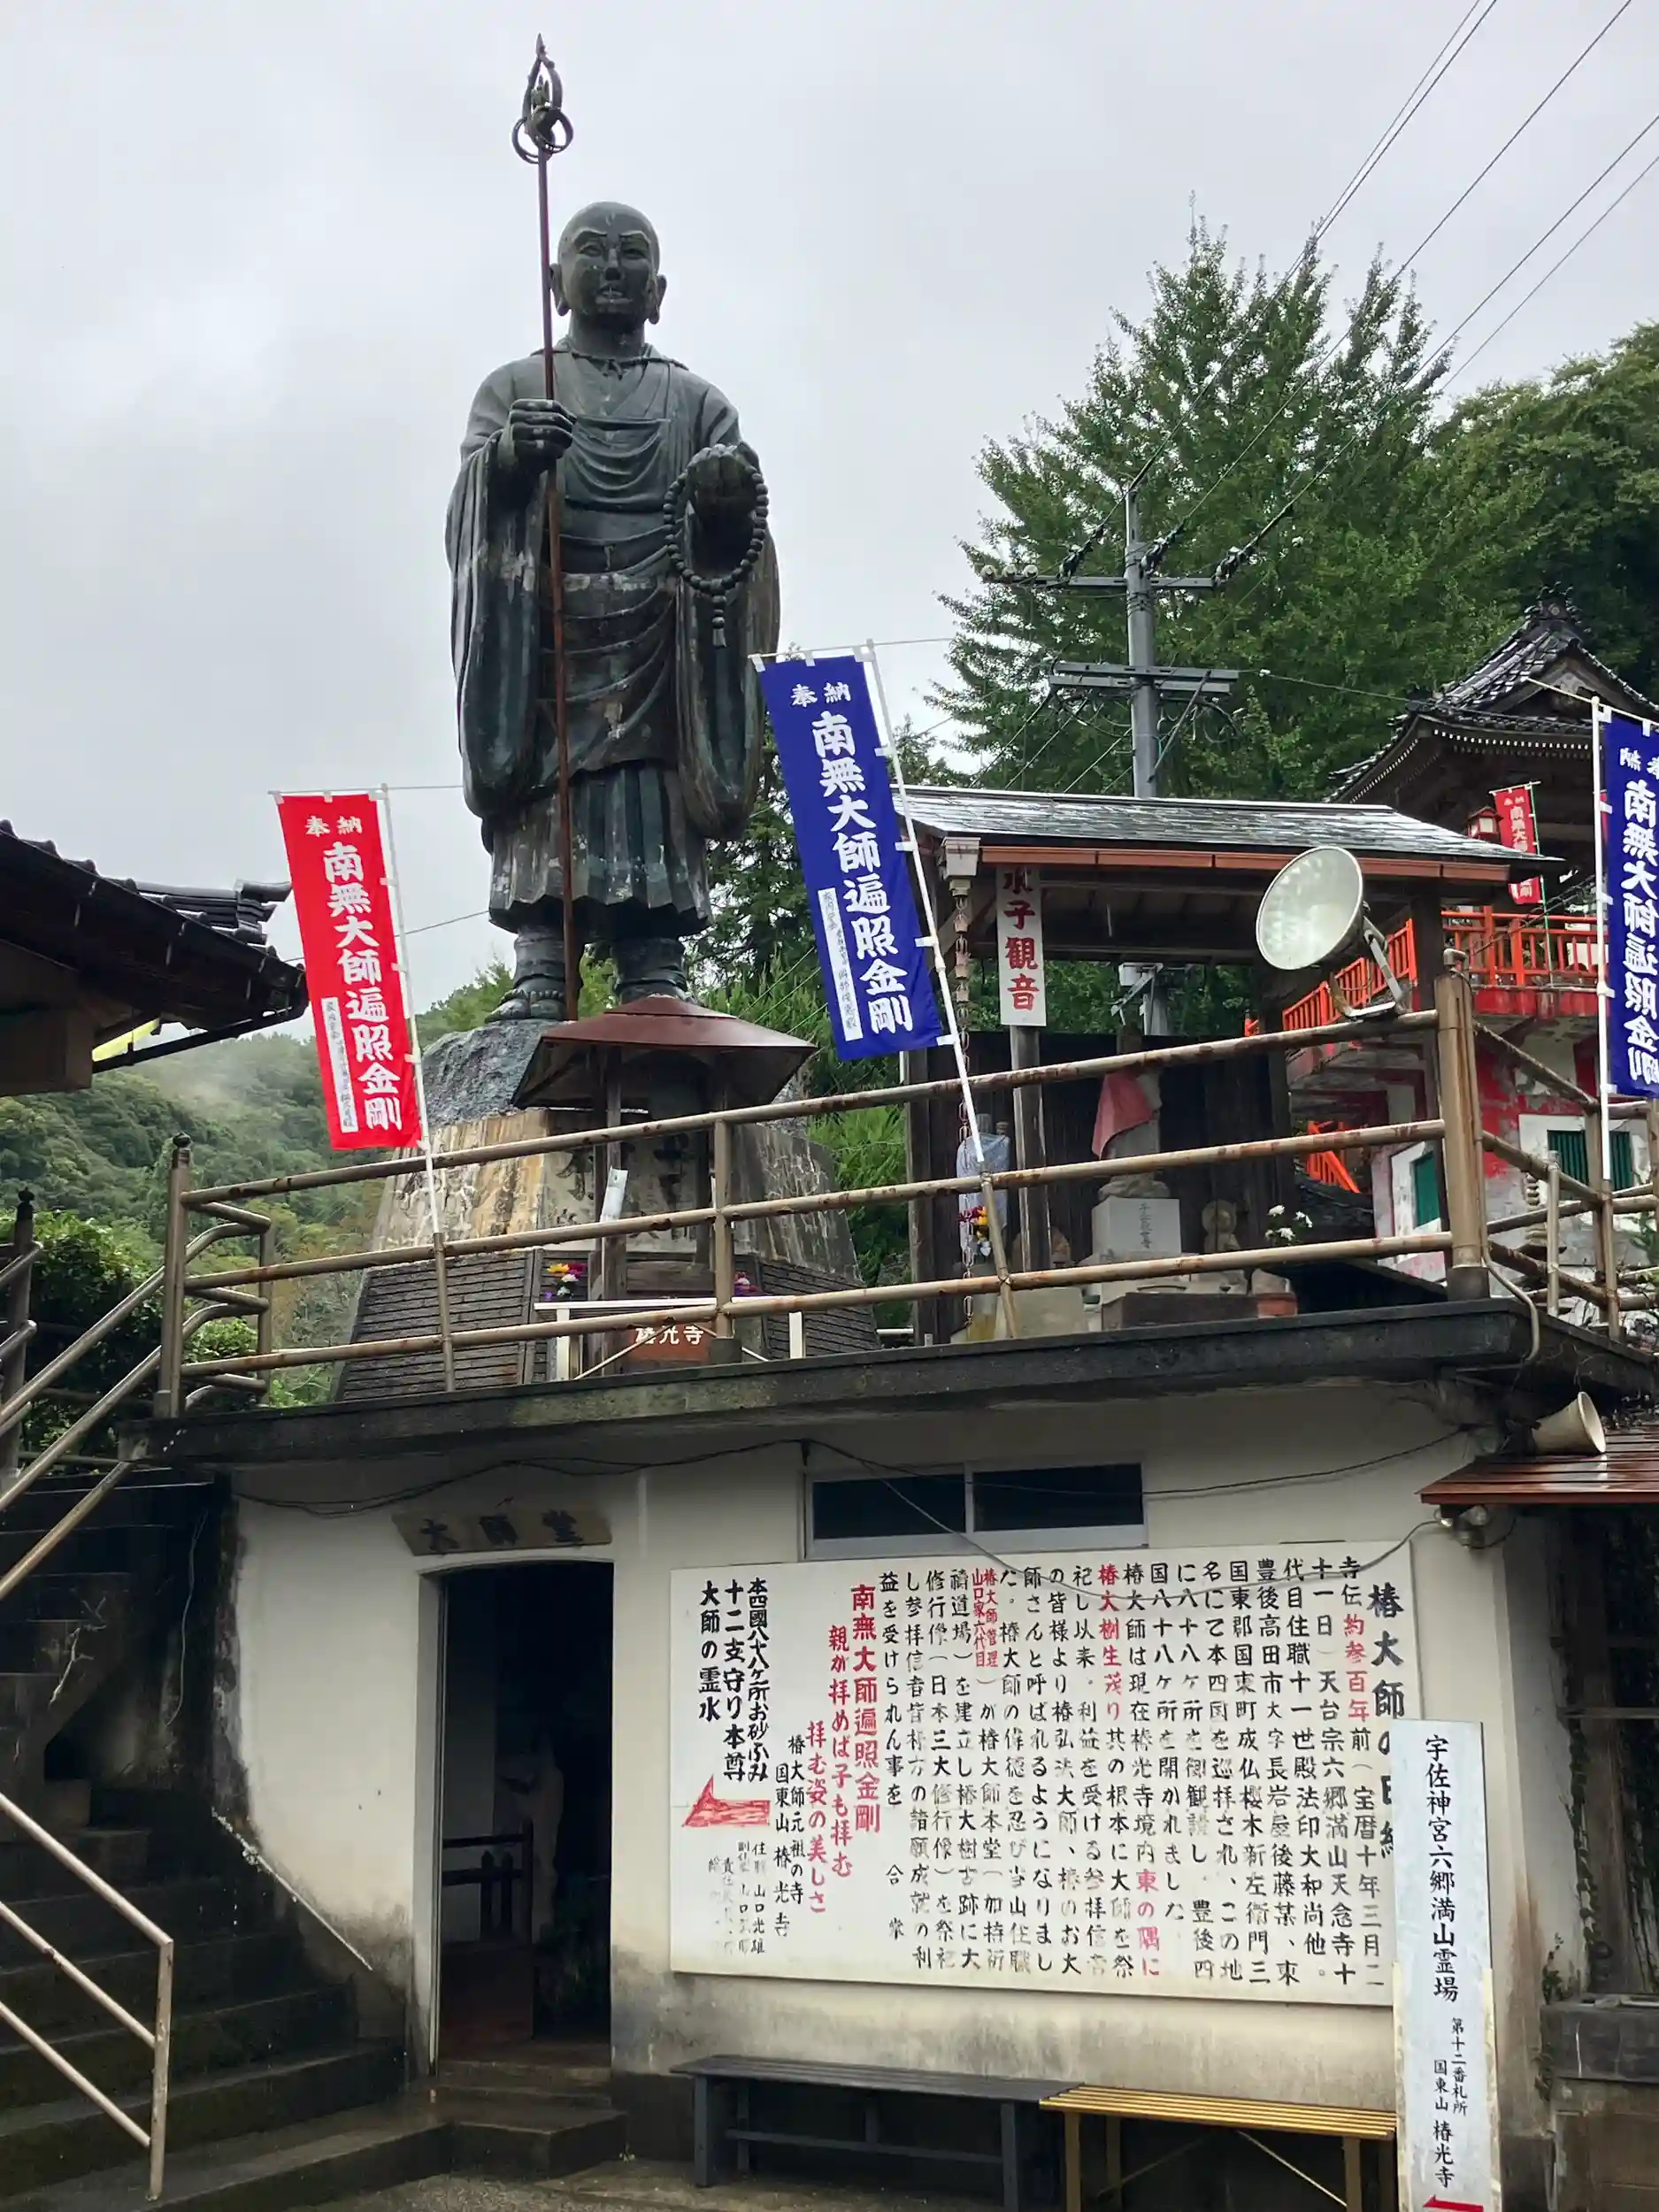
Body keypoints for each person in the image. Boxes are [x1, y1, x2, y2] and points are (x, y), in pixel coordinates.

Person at [447, 202, 780, 1018]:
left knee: (649, 791)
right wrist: (508, 461)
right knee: (547, 792)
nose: (611, 267)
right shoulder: (515, 388)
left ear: (658, 290)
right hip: (547, 633)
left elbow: (740, 534)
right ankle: (541, 961)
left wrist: (724, 507)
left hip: (663, 634)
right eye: (591, 251)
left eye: (632, 254)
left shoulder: (697, 401)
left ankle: (653, 961)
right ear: (554, 280)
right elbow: (470, 517)